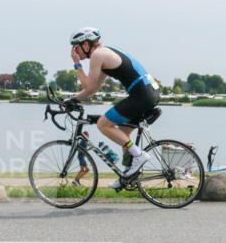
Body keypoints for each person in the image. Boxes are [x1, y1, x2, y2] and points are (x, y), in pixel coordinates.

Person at [66, 27, 160, 189]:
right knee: (122, 134)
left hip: (142, 95)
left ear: (86, 44)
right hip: (149, 92)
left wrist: (76, 64)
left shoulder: (97, 55)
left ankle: (139, 155)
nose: (74, 50)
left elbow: (88, 87)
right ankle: (127, 175)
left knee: (103, 124)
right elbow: (93, 89)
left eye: (76, 46)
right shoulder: (103, 53)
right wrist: (72, 99)